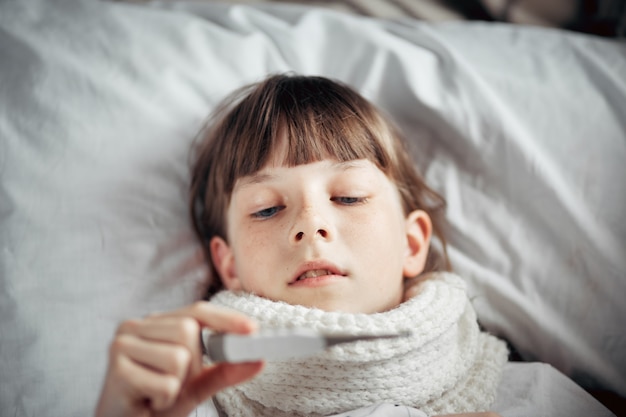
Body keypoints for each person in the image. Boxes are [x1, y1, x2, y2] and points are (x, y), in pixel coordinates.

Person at [95, 74, 614, 417]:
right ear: (227, 265)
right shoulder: (181, 405)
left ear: (412, 244)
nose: (311, 224)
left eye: (348, 196)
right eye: (267, 209)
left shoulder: (537, 399)